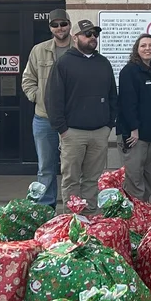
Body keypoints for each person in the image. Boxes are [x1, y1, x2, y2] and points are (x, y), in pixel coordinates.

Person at [44, 19, 117, 203]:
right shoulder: (63, 63)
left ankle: (90, 219)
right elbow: (53, 99)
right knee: (71, 180)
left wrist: (109, 125)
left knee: (92, 180)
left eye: (95, 34)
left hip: (100, 132)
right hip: (73, 133)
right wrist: (63, 130)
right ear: (75, 38)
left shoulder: (103, 63)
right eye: (88, 34)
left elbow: (112, 96)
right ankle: (72, 221)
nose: (93, 37)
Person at [20, 7, 72, 206]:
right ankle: (45, 211)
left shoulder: (78, 49)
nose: (60, 28)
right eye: (55, 25)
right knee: (45, 167)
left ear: (69, 24)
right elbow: (27, 79)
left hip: (72, 120)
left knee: (72, 168)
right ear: (50, 28)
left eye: (63, 24)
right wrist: (37, 97)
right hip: (44, 119)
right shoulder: (39, 50)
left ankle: (72, 211)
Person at [115, 33, 151, 202]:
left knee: (150, 176)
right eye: (143, 46)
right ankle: (134, 219)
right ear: (137, 49)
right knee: (134, 178)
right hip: (135, 134)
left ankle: (143, 212)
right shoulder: (129, 71)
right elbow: (127, 103)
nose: (147, 49)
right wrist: (133, 129)